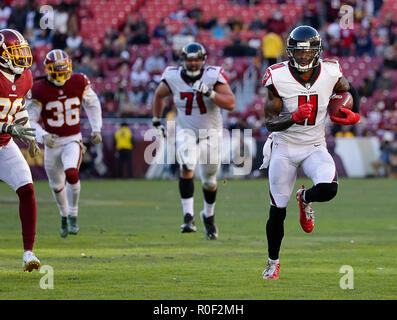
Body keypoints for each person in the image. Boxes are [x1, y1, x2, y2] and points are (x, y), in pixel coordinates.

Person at [260, 26, 360, 279]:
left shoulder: (330, 71)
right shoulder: (277, 76)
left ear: (318, 51)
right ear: (290, 52)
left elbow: (348, 89)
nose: (304, 57)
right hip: (284, 146)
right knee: (277, 210)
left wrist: (353, 112)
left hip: (315, 145)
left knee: (329, 189)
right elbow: (269, 123)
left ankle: (305, 199)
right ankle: (273, 262)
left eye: (309, 52)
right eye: (299, 52)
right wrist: (292, 117)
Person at [152, 42, 235, 240]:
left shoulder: (213, 75)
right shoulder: (172, 76)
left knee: (209, 181)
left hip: (212, 135)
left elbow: (230, 103)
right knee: (187, 165)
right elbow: (159, 95)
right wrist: (156, 120)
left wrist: (209, 93)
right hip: (186, 131)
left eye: (197, 59)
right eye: (190, 60)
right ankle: (188, 217)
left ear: (204, 60)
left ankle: (208, 215)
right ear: (183, 61)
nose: (193, 63)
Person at [27, 49, 103, 238]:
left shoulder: (78, 81)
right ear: (48, 70)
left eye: (64, 70)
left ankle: (73, 214)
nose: (61, 75)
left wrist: (96, 128)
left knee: (71, 172)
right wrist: (43, 135)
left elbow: (93, 104)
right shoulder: (38, 89)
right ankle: (63, 215)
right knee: (56, 185)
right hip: (52, 142)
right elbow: (30, 120)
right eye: (57, 71)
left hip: (72, 139)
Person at [0, 28, 41, 271]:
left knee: (27, 190)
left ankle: (28, 252)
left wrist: (29, 134)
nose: (22, 57)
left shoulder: (25, 77)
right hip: (6, 136)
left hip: (4, 145)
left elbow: (19, 108)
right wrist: (8, 127)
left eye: (22, 50)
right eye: (16, 52)